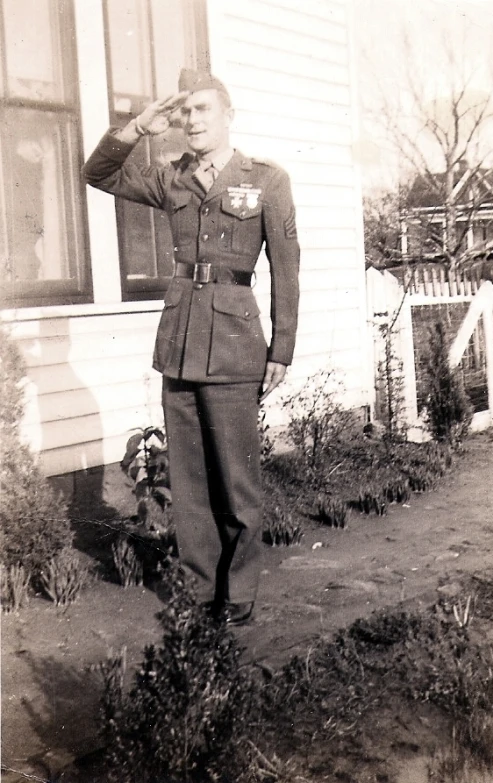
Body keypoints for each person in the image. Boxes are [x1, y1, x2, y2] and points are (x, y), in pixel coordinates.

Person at [82, 69, 300, 625]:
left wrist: (281, 349)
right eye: (185, 113)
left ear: (229, 115)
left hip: (233, 341)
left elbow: (287, 269)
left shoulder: (266, 180)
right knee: (189, 475)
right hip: (180, 341)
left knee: (236, 475)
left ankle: (240, 588)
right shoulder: (171, 179)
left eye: (203, 110)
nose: (192, 121)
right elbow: (98, 172)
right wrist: (138, 126)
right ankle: (201, 588)